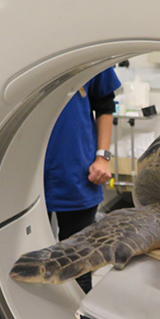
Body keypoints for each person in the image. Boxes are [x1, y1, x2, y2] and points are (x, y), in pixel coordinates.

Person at [44, 66, 121, 293]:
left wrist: (102, 157)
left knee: (78, 267)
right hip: (28, 172)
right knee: (30, 256)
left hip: (76, 171)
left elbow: (105, 106)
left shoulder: (84, 52)